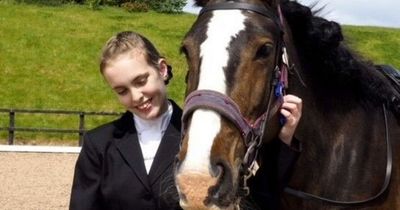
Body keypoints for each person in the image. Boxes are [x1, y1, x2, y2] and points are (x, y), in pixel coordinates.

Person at [69, 31, 182, 210]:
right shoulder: (98, 145)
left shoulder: (199, 136)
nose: (136, 96)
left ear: (162, 69)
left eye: (141, 81)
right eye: (122, 91)